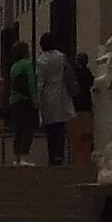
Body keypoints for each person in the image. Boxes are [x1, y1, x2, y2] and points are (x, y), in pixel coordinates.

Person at [34, 31, 74, 167]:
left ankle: (52, 155)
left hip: (47, 95)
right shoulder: (61, 57)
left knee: (50, 127)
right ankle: (59, 155)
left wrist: (37, 98)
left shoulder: (41, 60)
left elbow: (40, 81)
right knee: (60, 126)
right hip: (61, 93)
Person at [4, 51, 38, 165]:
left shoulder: (14, 67)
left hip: (14, 100)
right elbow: (31, 82)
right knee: (28, 128)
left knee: (17, 129)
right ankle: (24, 156)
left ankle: (17, 157)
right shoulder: (28, 65)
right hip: (26, 100)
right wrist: (35, 99)